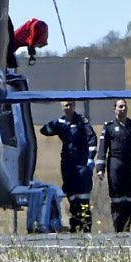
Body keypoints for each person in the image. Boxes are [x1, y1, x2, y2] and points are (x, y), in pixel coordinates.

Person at [40, 99, 96, 233]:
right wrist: (55, 123)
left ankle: (86, 227)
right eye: (66, 105)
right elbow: (45, 130)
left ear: (75, 105)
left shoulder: (82, 121)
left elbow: (92, 139)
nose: (68, 107)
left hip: (81, 165)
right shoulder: (61, 122)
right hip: (68, 165)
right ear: (62, 107)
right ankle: (75, 227)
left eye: (71, 105)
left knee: (83, 198)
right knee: (72, 197)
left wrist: (90, 159)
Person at [95, 99, 131, 233]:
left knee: (130, 197)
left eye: (124, 106)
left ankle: (127, 227)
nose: (122, 109)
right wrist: (100, 169)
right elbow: (102, 149)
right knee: (117, 198)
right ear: (114, 109)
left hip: (130, 165)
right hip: (115, 165)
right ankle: (118, 228)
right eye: (120, 107)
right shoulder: (109, 127)